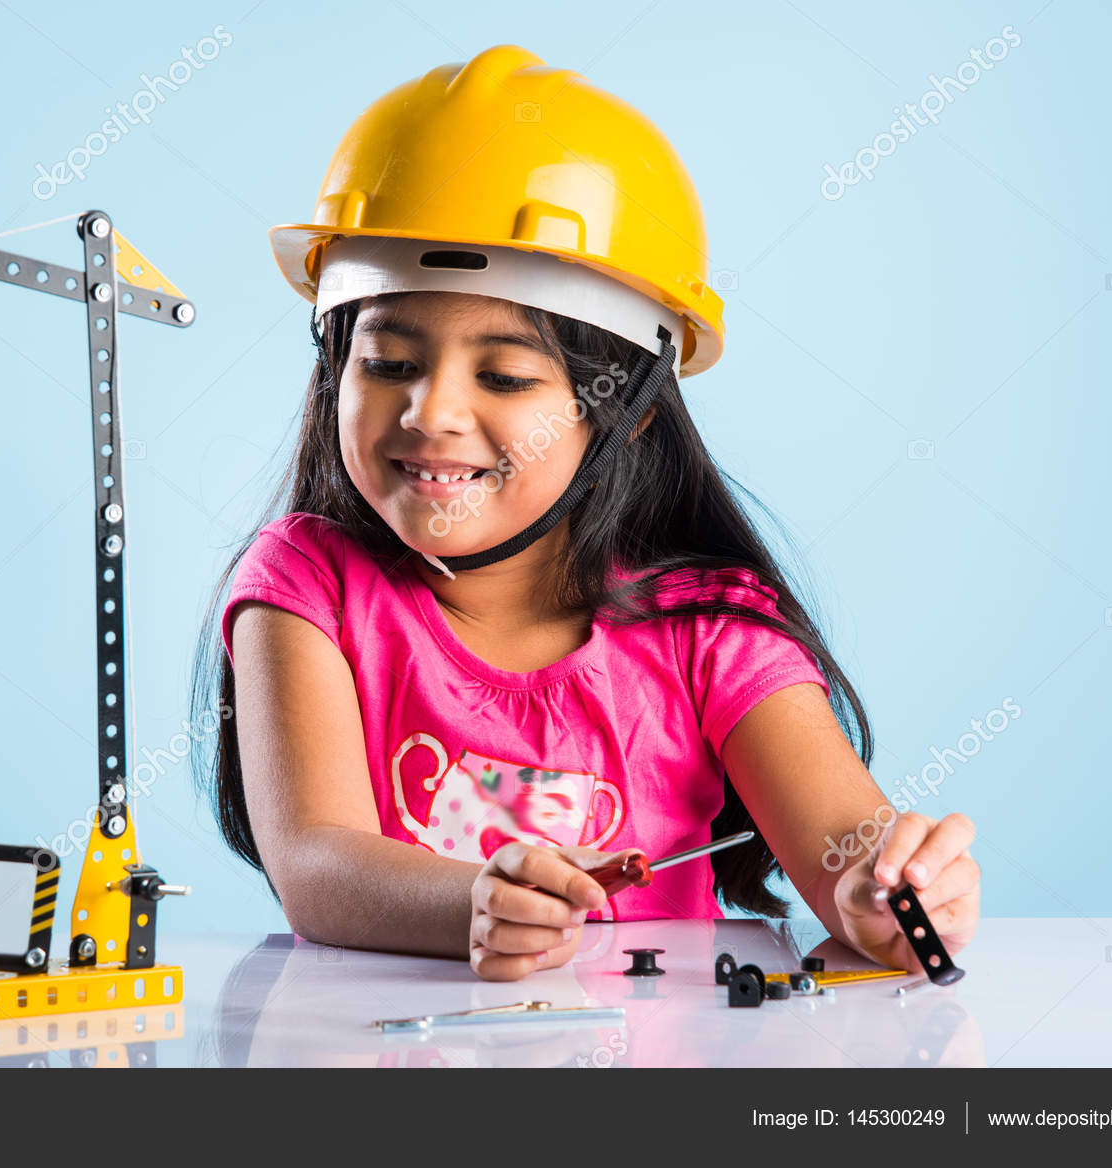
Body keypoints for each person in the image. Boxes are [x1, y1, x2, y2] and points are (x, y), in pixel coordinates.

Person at [192, 45, 979, 981]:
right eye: (389, 362)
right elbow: (318, 864)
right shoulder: (309, 584)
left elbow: (848, 852)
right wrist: (472, 904)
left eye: (506, 375)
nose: (430, 413)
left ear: (632, 404)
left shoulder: (709, 629)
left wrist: (889, 894)